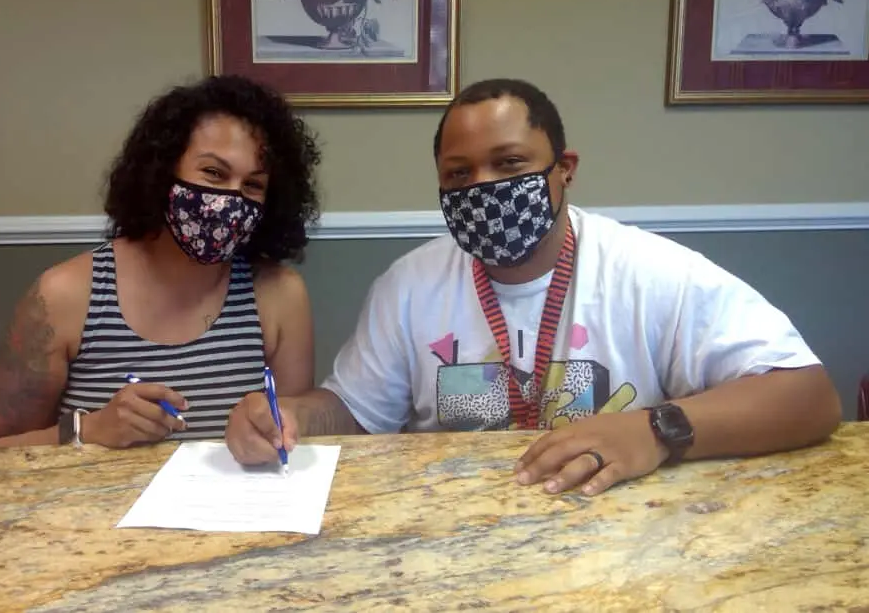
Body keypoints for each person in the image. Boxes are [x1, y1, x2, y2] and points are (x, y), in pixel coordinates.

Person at [225, 78, 841, 496]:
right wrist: (288, 415)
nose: (484, 187)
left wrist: (655, 431)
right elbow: (354, 413)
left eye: (511, 164)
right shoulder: (408, 286)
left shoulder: (650, 272)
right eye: (459, 173)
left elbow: (809, 396)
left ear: (564, 170)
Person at [0, 75, 321, 448]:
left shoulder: (281, 295)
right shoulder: (64, 296)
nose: (230, 200)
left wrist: (273, 433)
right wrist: (88, 430)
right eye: (214, 173)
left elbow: (293, 441)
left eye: (252, 185)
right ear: (161, 171)